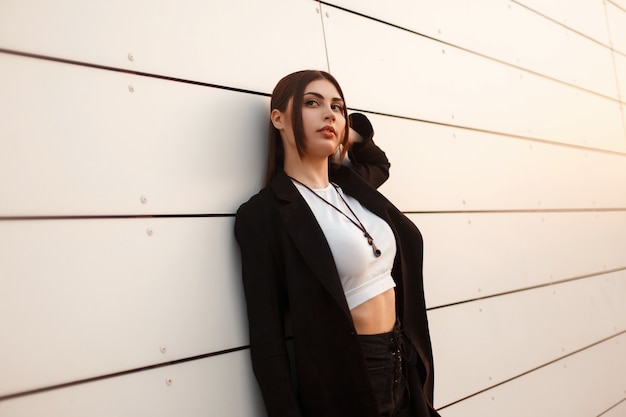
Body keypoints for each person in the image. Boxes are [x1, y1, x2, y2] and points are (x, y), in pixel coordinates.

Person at [235, 70, 440, 417]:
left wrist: (351, 132)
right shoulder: (265, 214)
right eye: (312, 103)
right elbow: (268, 343)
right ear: (278, 118)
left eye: (337, 107)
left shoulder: (351, 184)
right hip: (349, 380)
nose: (329, 114)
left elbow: (379, 162)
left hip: (403, 364)